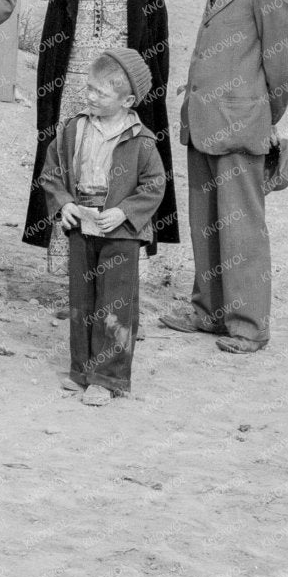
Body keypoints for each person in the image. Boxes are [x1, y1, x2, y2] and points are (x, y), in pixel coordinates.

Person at [160, 0, 288, 354]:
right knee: (207, 221)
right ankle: (209, 310)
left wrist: (260, 115)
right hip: (204, 119)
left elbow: (283, 66)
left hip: (239, 125)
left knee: (241, 227)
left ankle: (248, 325)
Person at [20, 0, 180, 263]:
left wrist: (145, 99)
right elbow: (50, 51)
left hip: (122, 91)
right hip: (75, 91)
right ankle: (70, 267)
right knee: (73, 167)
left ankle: (120, 260)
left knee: (121, 169)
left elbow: (158, 52)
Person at [38, 48, 168, 405]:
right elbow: (51, 170)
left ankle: (108, 377)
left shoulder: (141, 140)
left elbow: (155, 185)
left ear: (127, 100)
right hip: (83, 224)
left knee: (115, 301)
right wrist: (63, 202)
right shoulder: (73, 129)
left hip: (120, 233)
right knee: (82, 298)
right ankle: (81, 368)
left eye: (101, 93)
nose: (90, 96)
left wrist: (126, 212)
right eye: (89, 88)